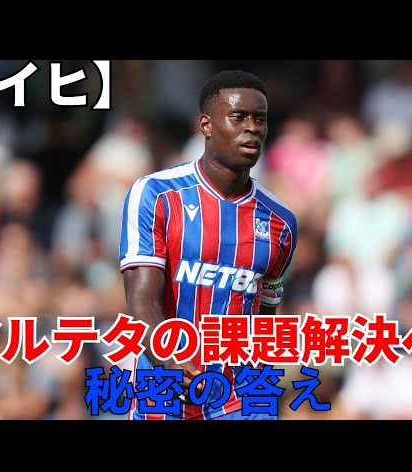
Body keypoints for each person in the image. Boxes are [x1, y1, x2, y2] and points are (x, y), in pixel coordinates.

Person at [119, 70, 297, 420]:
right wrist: (170, 362)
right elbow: (142, 298)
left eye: (260, 119)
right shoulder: (156, 194)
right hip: (166, 385)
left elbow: (266, 314)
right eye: (238, 117)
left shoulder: (281, 222)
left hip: (240, 396)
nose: (252, 128)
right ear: (206, 125)